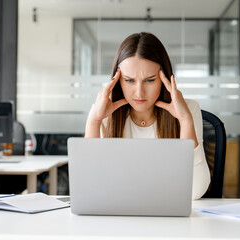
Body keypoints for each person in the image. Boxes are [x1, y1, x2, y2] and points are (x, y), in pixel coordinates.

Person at [85, 32, 210, 200]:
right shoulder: (101, 113)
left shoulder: (189, 110)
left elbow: (195, 191)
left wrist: (185, 121)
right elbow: (89, 186)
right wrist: (94, 121)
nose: (139, 92)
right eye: (129, 80)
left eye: (149, 80)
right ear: (117, 81)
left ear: (164, 78)